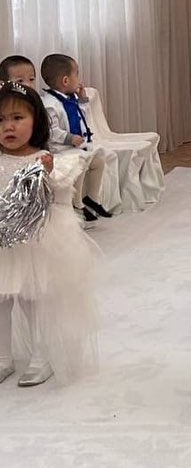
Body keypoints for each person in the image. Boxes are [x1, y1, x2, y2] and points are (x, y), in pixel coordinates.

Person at [0, 81, 99, 386]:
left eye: (17, 118)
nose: (8, 126)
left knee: (32, 298)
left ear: (36, 120)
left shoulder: (45, 159)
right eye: (0, 120)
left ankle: (41, 355)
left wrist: (49, 172)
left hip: (37, 242)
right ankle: (3, 357)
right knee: (2, 300)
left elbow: (60, 197)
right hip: (4, 243)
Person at [40, 54, 114, 221]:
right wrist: (69, 138)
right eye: (77, 74)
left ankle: (92, 199)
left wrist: (82, 100)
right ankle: (77, 203)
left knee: (99, 160)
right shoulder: (50, 104)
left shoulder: (70, 98)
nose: (79, 79)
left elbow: (82, 118)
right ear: (66, 80)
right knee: (80, 163)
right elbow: (51, 131)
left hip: (77, 146)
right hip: (62, 149)